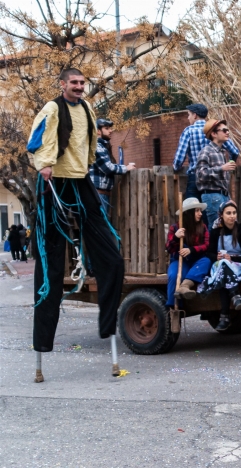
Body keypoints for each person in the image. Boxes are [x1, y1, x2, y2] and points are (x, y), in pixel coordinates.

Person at [27, 68, 124, 379]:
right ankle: (42, 347)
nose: (80, 87)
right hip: (54, 181)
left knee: (112, 257)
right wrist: (43, 164)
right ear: (63, 84)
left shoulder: (87, 108)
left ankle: (108, 324)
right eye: (74, 83)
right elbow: (37, 137)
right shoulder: (52, 107)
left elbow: (90, 141)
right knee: (50, 265)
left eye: (82, 83)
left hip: (80, 181)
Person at [172, 103, 240, 225]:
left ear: (195, 115)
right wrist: (229, 164)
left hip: (195, 178)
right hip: (216, 183)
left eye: (189, 115)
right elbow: (234, 152)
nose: (188, 118)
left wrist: (176, 168)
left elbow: (179, 159)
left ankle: (199, 242)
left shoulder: (189, 131)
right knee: (216, 218)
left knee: (192, 217)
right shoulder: (216, 130)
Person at [198, 200, 241, 331]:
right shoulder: (215, 232)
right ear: (221, 215)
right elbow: (209, 253)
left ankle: (224, 316)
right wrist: (217, 257)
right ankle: (235, 296)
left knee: (223, 274)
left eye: (234, 213)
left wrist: (232, 258)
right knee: (223, 266)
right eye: (228, 213)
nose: (232, 216)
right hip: (220, 265)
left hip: (238, 265)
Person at [165, 198, 212, 311]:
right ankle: (173, 307)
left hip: (196, 261)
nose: (200, 213)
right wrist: (176, 237)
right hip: (180, 260)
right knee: (174, 275)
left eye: (200, 210)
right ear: (189, 213)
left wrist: (192, 249)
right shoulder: (176, 228)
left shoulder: (203, 227)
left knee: (206, 261)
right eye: (197, 211)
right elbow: (169, 248)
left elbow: (206, 245)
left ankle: (185, 286)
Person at [196, 119, 237, 230]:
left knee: (226, 228)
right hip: (211, 195)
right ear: (213, 134)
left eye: (227, 130)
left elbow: (223, 181)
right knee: (215, 228)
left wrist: (228, 198)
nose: (227, 132)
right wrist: (222, 168)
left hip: (223, 195)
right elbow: (200, 174)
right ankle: (213, 248)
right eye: (224, 130)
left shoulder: (223, 152)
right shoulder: (206, 151)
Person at [88, 118, 136, 215]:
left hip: (101, 194)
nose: (111, 131)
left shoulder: (102, 146)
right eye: (107, 128)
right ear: (98, 131)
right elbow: (107, 168)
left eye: (110, 128)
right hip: (98, 194)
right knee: (100, 225)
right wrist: (126, 168)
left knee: (101, 225)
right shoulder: (97, 147)